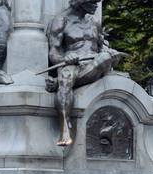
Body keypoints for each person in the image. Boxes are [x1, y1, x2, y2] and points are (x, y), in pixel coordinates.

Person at [46, 0, 124, 146]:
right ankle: (64, 128)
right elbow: (53, 53)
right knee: (66, 77)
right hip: (73, 65)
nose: (96, 5)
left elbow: (101, 47)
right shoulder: (61, 21)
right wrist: (65, 58)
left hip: (95, 63)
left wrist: (111, 53)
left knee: (105, 57)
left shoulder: (94, 22)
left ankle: (56, 82)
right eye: (93, 1)